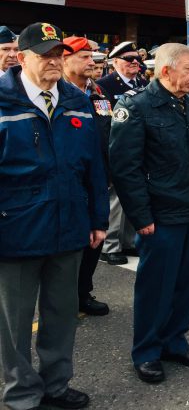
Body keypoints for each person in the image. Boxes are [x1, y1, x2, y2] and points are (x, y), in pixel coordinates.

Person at [0, 22, 108, 410]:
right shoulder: (3, 101)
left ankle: (56, 385)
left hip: (69, 226)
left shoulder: (76, 99)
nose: (53, 62)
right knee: (14, 323)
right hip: (15, 230)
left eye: (58, 54)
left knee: (62, 314)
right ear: (22, 57)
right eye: (45, 55)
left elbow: (94, 166)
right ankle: (22, 393)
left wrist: (98, 219)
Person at [109, 43, 189, 384]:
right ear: (166, 71)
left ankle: (175, 340)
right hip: (162, 216)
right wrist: (142, 218)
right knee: (156, 288)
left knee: (187, 284)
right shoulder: (137, 106)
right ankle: (147, 351)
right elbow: (125, 169)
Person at [62, 36, 112, 317]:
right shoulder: (60, 94)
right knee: (71, 245)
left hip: (99, 178)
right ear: (64, 60)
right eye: (84, 56)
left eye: (92, 56)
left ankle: (83, 292)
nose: (92, 61)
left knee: (95, 238)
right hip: (72, 181)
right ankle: (65, 297)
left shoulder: (98, 92)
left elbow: (108, 132)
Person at [97, 40, 144, 265]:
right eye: (129, 59)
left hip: (138, 151)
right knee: (115, 201)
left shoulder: (143, 83)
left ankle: (128, 241)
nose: (135, 62)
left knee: (133, 197)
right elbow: (105, 124)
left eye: (137, 59)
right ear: (115, 62)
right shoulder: (104, 86)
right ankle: (110, 245)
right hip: (116, 151)